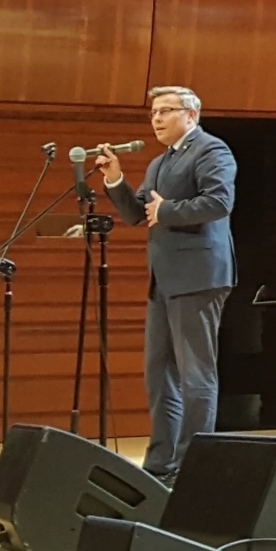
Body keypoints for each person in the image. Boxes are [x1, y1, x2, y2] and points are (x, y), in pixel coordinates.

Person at [93, 87, 237, 486]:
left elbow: (219, 202)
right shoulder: (161, 161)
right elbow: (136, 215)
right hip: (165, 279)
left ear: (191, 115)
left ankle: (193, 466)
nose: (156, 118)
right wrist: (115, 178)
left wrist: (167, 210)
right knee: (159, 374)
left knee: (196, 375)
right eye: (154, 112)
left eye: (166, 110)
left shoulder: (211, 150)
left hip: (200, 275)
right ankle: (159, 465)